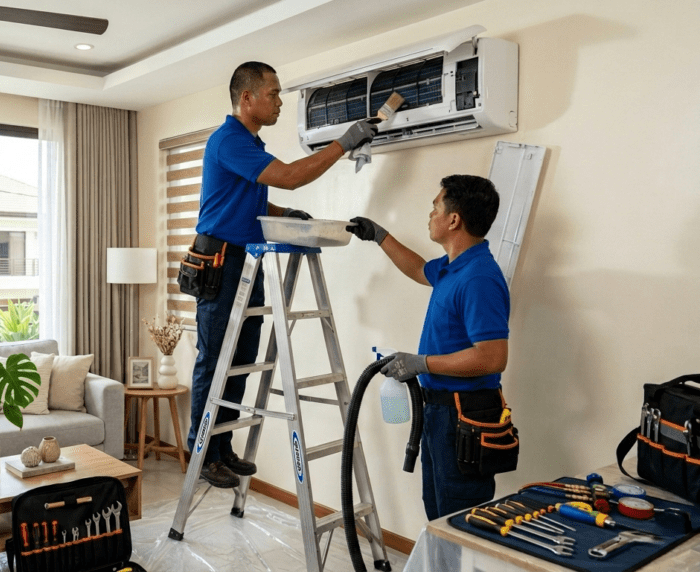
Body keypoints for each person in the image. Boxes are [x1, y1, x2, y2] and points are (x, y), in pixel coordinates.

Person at [187, 61, 378, 488]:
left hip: (244, 255)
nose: (278, 101)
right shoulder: (229, 140)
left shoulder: (249, 143)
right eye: (272, 93)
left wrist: (281, 215)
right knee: (215, 360)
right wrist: (342, 143)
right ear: (246, 98)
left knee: (241, 360)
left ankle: (222, 447)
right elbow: (290, 177)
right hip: (220, 260)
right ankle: (202, 453)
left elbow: (244, 202)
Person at [347, 174, 511, 519]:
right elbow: (419, 268)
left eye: (436, 206)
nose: (430, 213)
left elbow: (493, 358)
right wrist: (380, 235)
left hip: (464, 416)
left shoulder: (478, 277)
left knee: (460, 521)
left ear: (454, 219)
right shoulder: (454, 268)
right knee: (439, 516)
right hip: (441, 413)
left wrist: (422, 363)